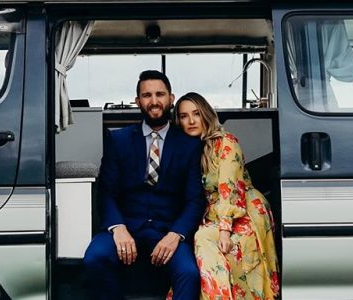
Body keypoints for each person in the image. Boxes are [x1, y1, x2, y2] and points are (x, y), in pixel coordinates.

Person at [83, 71, 206, 300]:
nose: (154, 101)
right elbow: (107, 193)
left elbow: (194, 200)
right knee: (95, 258)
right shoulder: (117, 140)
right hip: (126, 226)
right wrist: (118, 227)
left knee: (189, 273)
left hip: (168, 229)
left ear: (171, 98)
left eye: (160, 94)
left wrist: (176, 234)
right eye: (147, 95)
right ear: (138, 101)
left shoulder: (189, 144)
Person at [173, 92, 280, 300]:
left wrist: (224, 229)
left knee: (205, 238)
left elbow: (228, 189)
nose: (192, 121)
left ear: (206, 114)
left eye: (196, 113)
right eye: (184, 116)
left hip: (243, 210)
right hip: (216, 213)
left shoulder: (226, 143)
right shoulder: (192, 149)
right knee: (200, 246)